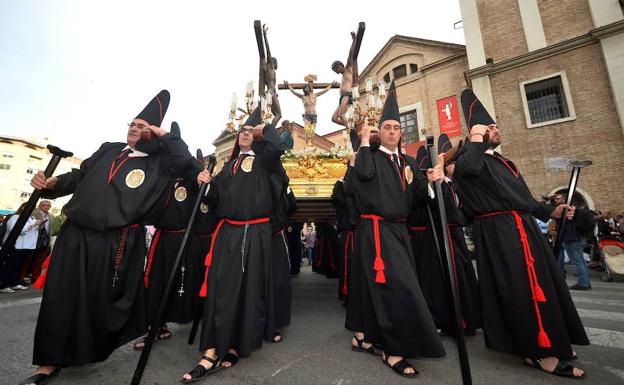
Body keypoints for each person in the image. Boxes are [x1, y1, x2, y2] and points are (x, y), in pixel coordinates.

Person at [22, 90, 201, 385]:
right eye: (132, 123)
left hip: (117, 241)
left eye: (143, 125)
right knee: (60, 298)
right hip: (75, 234)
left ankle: (91, 347)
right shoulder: (109, 149)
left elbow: (183, 159)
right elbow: (80, 176)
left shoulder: (162, 164)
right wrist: (54, 183)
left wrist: (162, 134)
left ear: (154, 134)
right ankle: (48, 361)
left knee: (100, 302)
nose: (134, 127)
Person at [453, 89, 589, 379]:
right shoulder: (469, 160)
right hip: (500, 233)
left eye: (496, 126)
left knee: (543, 285)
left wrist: (551, 212)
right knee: (521, 289)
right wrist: (475, 139)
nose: (496, 130)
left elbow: (523, 199)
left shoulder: (505, 162)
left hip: (523, 228)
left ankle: (549, 342)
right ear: (477, 132)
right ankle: (542, 353)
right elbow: (469, 169)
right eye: (489, 127)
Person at [347, 81, 446, 377]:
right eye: (386, 127)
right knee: (396, 287)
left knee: (375, 286)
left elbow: (416, 195)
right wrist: (364, 141)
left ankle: (362, 335)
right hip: (376, 230)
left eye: (395, 127)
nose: (392, 131)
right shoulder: (370, 156)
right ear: (379, 131)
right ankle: (393, 349)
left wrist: (430, 182)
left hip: (399, 230)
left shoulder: (408, 162)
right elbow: (361, 176)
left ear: (401, 132)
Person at [181, 107, 283, 382]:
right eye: (242, 131)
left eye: (250, 131)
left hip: (255, 231)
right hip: (227, 233)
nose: (245, 135)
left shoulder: (265, 161)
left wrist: (263, 128)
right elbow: (216, 200)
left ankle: (237, 344)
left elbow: (277, 145)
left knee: (249, 291)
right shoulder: (229, 166)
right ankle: (212, 350)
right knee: (221, 289)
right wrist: (205, 184)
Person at [553, 193, 593, 290]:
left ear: (564, 199)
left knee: (578, 261)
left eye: (558, 199)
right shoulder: (574, 208)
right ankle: (584, 281)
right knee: (579, 261)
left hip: (571, 239)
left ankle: (583, 283)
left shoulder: (566, 209)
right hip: (576, 238)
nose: (556, 201)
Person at [0, 202, 40, 293]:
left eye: (33, 208)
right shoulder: (15, 217)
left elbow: (32, 231)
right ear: (22, 207)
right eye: (31, 208)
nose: (32, 210)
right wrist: (32, 225)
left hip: (27, 246)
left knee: (19, 265)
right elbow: (17, 230)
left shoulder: (32, 218)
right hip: (16, 245)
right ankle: (4, 285)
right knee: (10, 265)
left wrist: (38, 226)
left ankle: (15, 283)